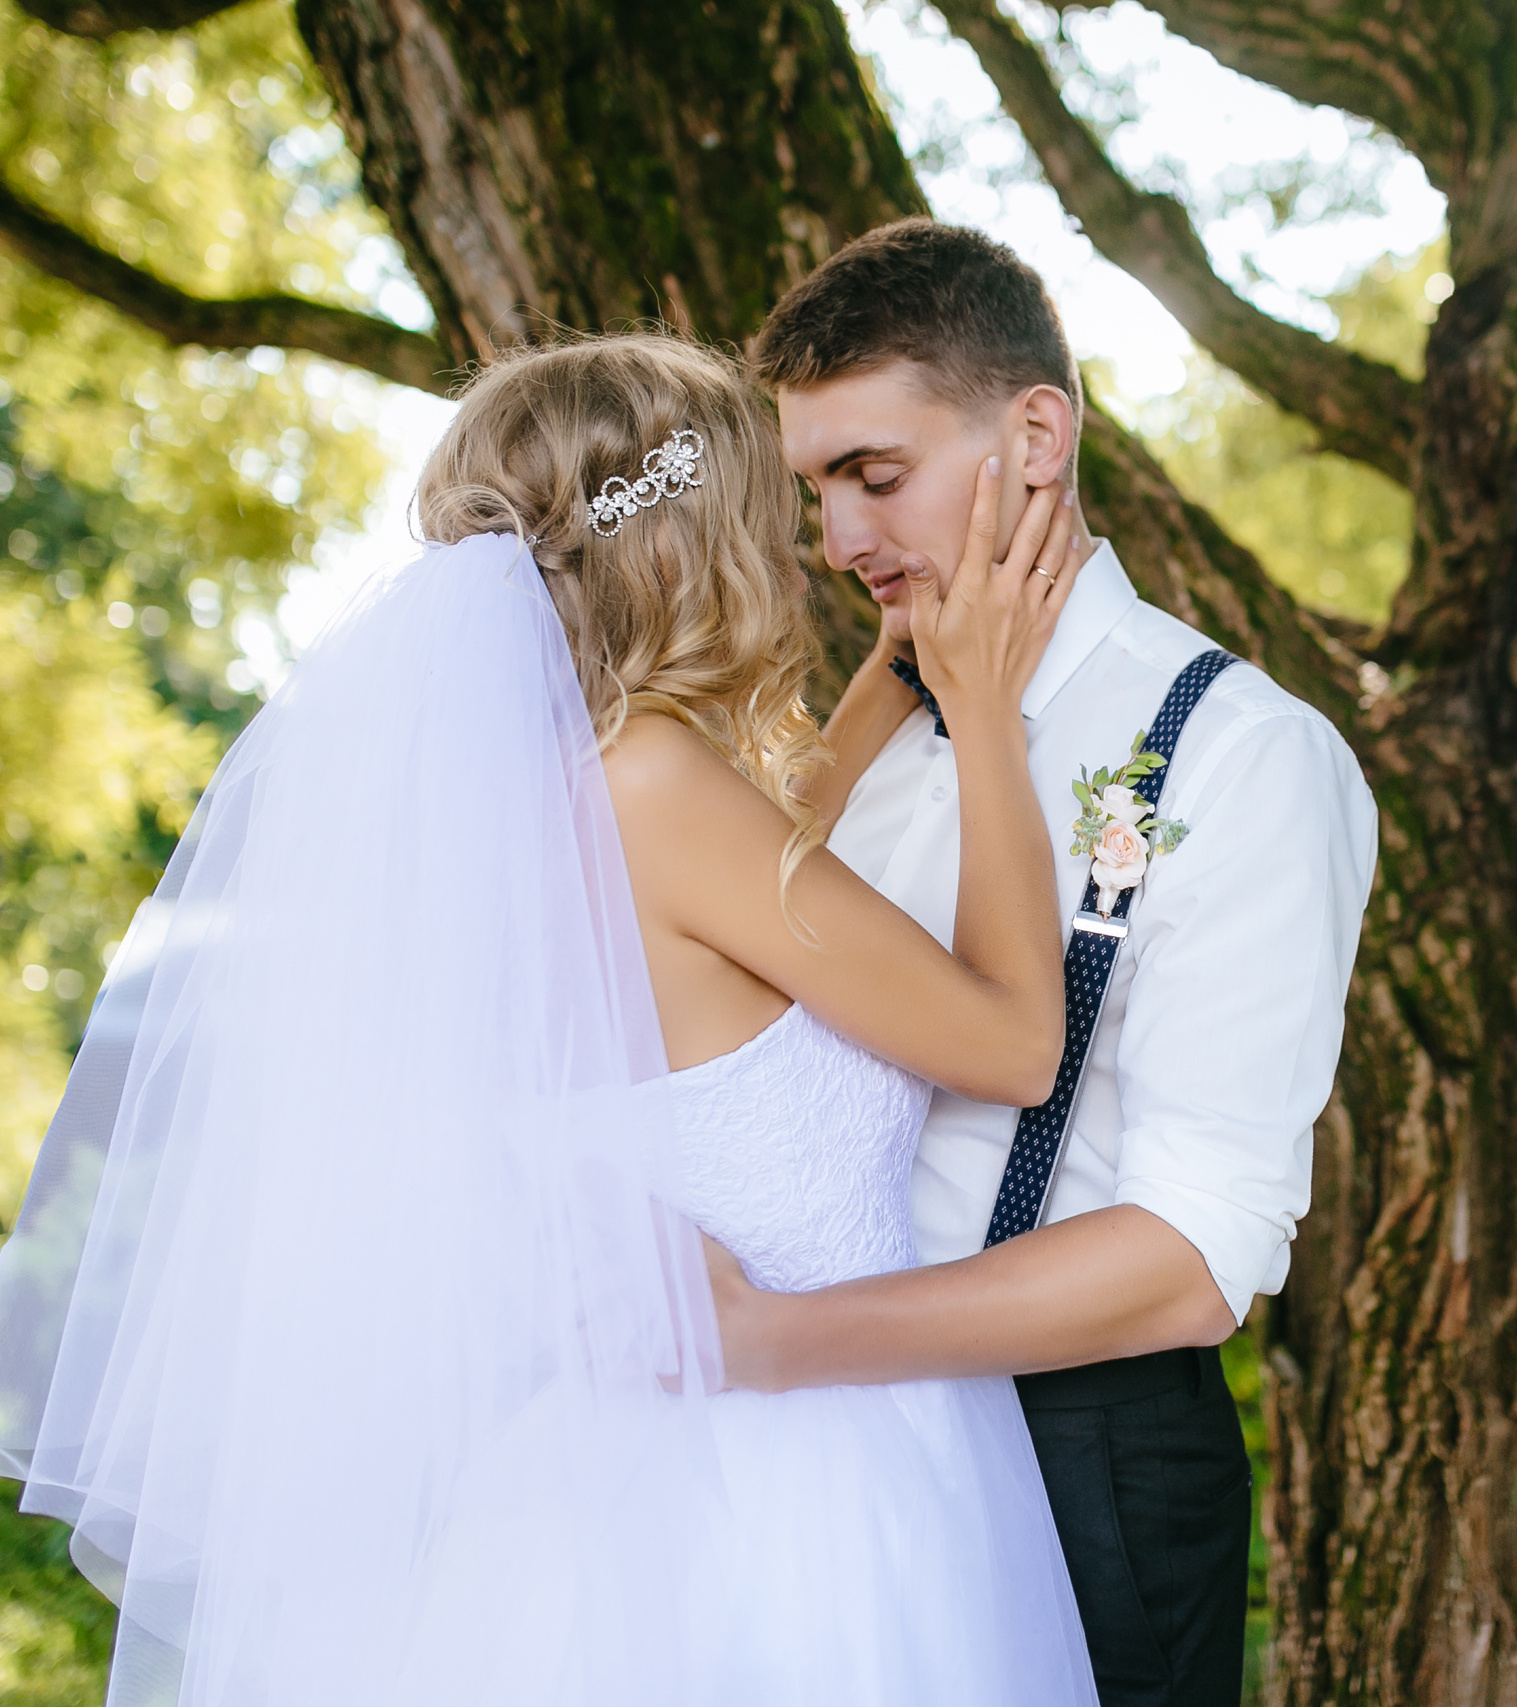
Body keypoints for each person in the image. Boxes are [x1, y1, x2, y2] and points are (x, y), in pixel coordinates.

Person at [0, 333, 1106, 1705]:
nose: (805, 548)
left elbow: (754, 922)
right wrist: (985, 709)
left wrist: (894, 675)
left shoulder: (499, 812)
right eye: (771, 512)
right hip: (801, 1491)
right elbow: (1012, 1046)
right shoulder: (653, 788)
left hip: (589, 1498)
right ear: (688, 549)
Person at [711, 218, 1379, 1707]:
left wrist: (775, 1343)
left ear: (1035, 436)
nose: (839, 541)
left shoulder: (1241, 754)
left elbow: (1198, 1253)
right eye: (817, 491)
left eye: (875, 477)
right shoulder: (869, 739)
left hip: (1077, 1467)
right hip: (818, 1462)